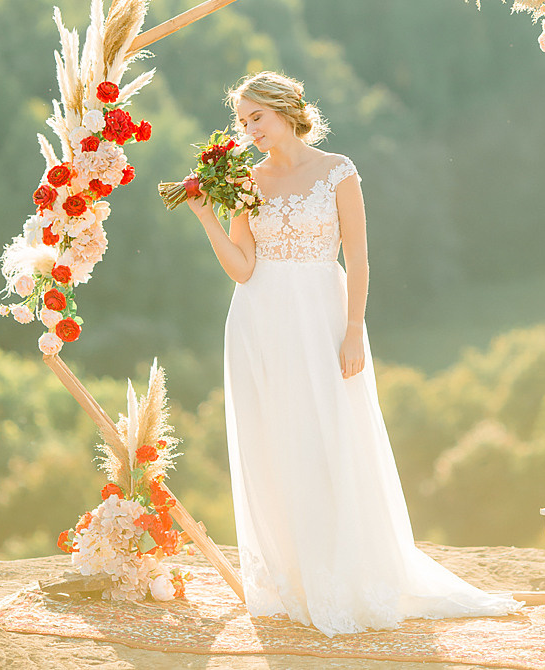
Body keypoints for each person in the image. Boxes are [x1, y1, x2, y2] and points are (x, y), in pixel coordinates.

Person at [185, 70, 518, 636]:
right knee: (275, 441)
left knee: (331, 435)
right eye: (242, 122)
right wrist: (205, 217)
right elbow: (243, 269)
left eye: (256, 118)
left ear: (286, 108)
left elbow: (359, 259)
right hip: (259, 321)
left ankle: (345, 576)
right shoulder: (244, 179)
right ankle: (295, 581)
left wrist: (355, 328)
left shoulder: (338, 170)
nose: (249, 131)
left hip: (322, 316)